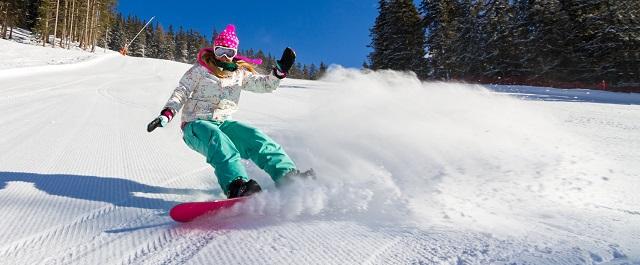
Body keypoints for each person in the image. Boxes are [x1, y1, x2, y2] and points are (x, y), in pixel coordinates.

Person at [147, 24, 312, 199]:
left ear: (235, 54)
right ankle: (236, 185)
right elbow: (182, 91)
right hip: (195, 125)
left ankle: (287, 176)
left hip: (223, 122)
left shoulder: (239, 73)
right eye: (220, 52)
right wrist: (167, 113)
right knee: (218, 141)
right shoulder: (200, 69)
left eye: (229, 53)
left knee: (255, 138)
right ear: (214, 50)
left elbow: (264, 84)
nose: (224, 57)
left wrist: (279, 73)